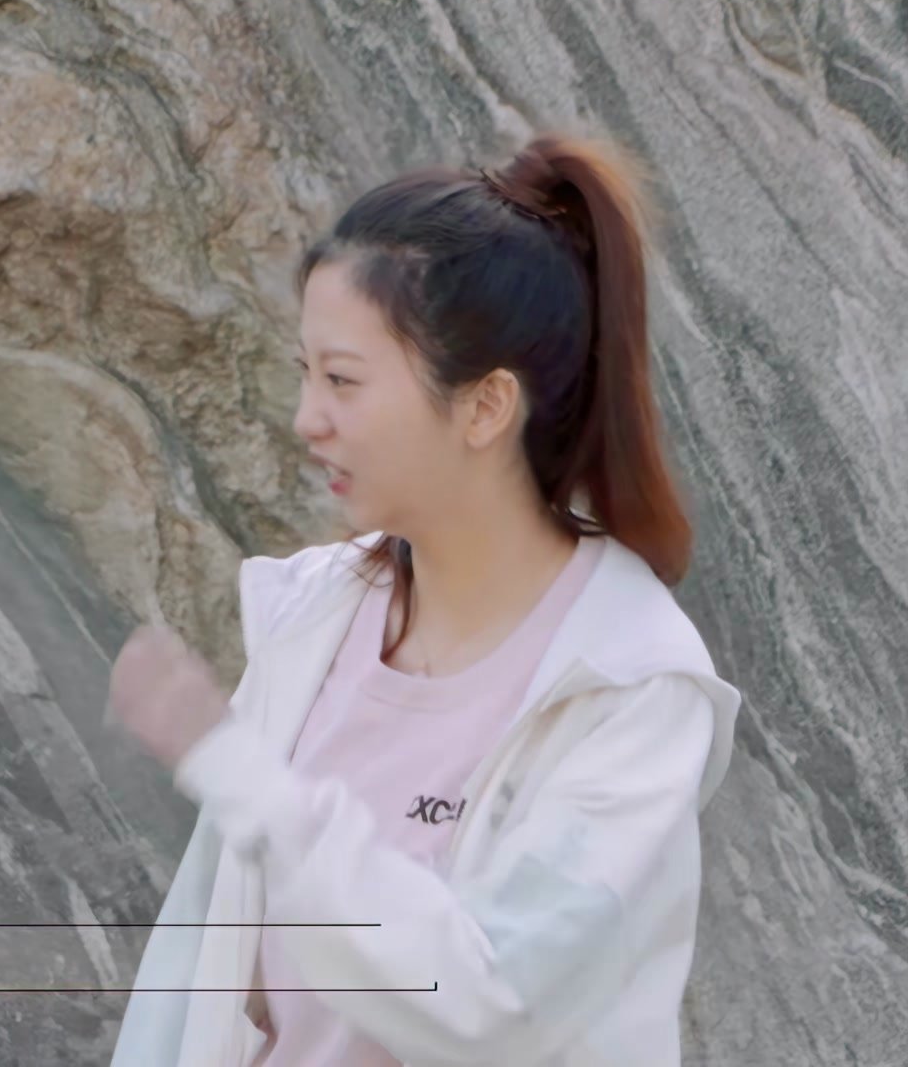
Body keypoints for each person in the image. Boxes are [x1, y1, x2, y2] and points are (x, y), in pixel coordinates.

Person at [108, 134, 741, 1066]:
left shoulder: (631, 692)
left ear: (485, 407)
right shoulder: (312, 619)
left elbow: (491, 1006)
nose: (307, 418)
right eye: (305, 372)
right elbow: (192, 989)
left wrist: (247, 783)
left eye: (343, 380)